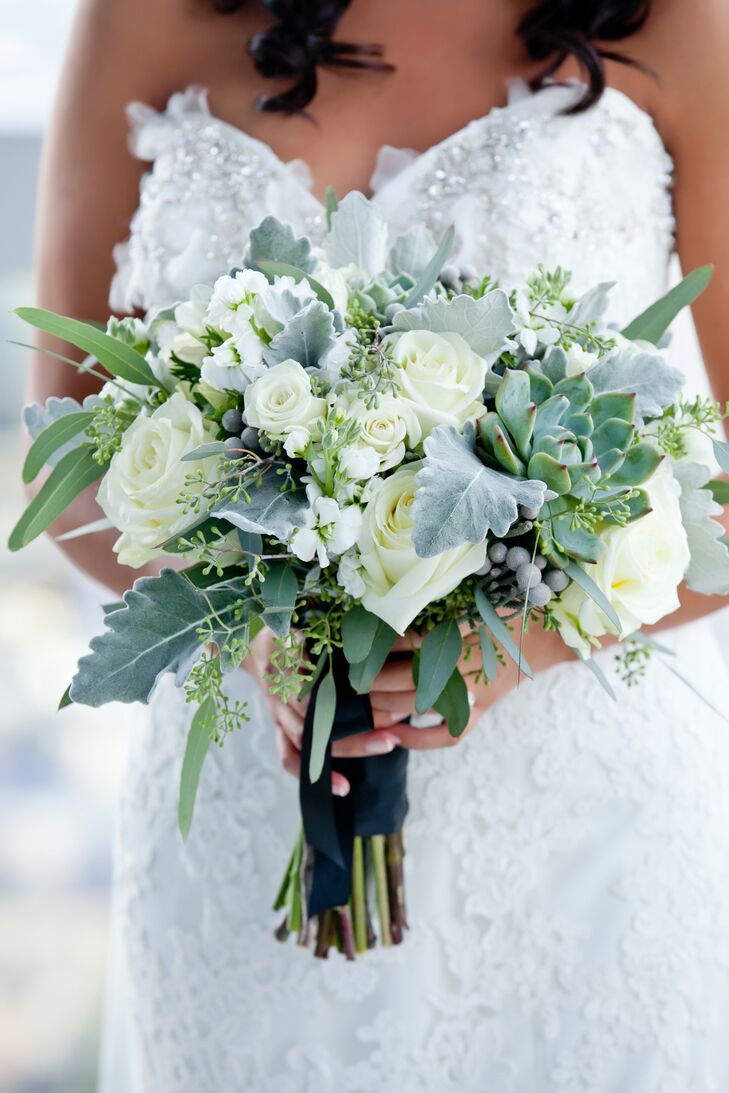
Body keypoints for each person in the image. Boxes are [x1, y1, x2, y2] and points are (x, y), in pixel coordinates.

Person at [30, 0, 729, 1088]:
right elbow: (61, 455)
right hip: (239, 807)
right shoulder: (138, 12)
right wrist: (247, 614)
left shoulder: (681, 18)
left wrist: (526, 634)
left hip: (582, 839)